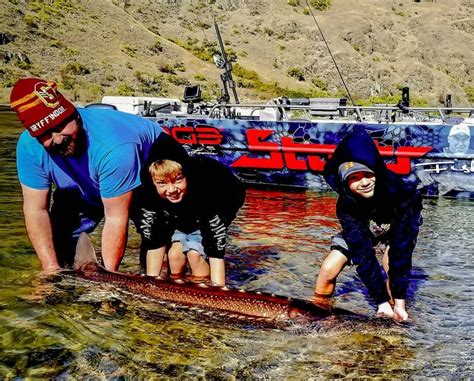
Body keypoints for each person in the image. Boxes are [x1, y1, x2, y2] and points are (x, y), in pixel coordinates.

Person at [11, 77, 166, 274]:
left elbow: (116, 218)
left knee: (158, 245)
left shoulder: (114, 145)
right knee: (59, 250)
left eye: (59, 127)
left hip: (144, 178)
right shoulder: (29, 148)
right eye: (45, 134)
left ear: (74, 115)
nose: (57, 139)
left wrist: (107, 279)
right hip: (82, 186)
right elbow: (36, 211)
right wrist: (50, 269)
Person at [314, 128, 423, 321]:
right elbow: (362, 252)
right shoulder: (346, 205)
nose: (364, 182)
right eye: (354, 178)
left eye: (368, 174)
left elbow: (401, 251)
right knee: (328, 269)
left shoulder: (402, 194)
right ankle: (317, 315)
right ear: (344, 183)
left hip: (398, 225)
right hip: (364, 226)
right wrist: (378, 300)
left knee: (390, 265)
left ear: (377, 172)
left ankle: (396, 316)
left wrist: (397, 302)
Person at [134, 134, 246, 287]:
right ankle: (176, 288)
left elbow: (216, 250)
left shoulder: (208, 189)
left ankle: (202, 287)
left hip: (225, 195)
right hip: (179, 209)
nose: (171, 189)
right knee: (173, 256)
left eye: (178, 180)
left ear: (186, 174)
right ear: (153, 182)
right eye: (162, 183)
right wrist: (150, 285)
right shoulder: (146, 194)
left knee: (194, 255)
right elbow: (154, 241)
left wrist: (220, 289)